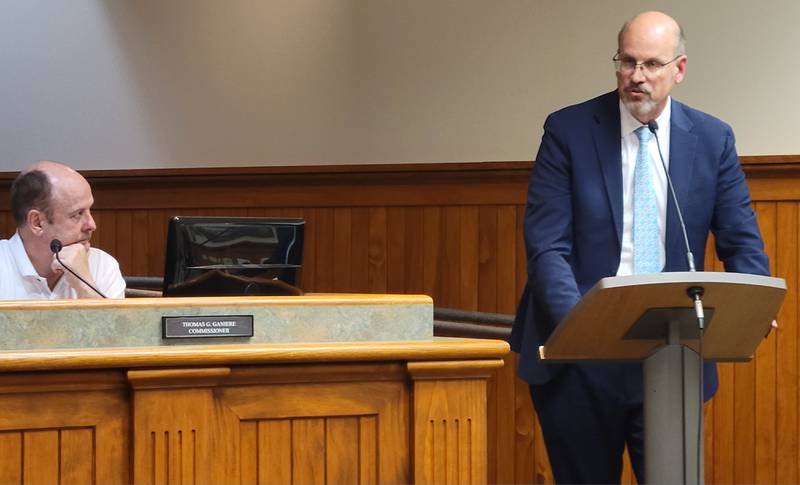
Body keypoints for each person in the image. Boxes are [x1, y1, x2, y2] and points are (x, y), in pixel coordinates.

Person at [509, 11, 770, 484]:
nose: (637, 76)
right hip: (580, 355)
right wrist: (585, 328)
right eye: (627, 62)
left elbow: (741, 239)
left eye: (651, 64)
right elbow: (548, 246)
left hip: (672, 352)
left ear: (679, 69)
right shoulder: (569, 131)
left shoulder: (712, 139)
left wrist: (752, 303)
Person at [0, 161, 126, 299]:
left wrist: (84, 285)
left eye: (89, 210)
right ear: (37, 223)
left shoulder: (102, 265)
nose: (91, 225)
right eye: (77, 214)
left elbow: (110, 321)